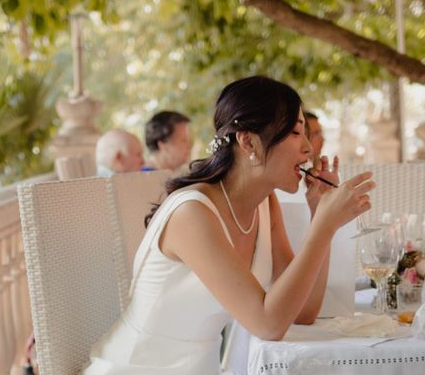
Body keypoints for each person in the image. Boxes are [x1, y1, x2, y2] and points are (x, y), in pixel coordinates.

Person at [83, 76, 373, 374]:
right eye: (296, 132)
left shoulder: (264, 203)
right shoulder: (192, 213)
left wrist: (318, 214)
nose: (310, 149)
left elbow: (303, 312)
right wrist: (323, 227)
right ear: (248, 141)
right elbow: (268, 325)